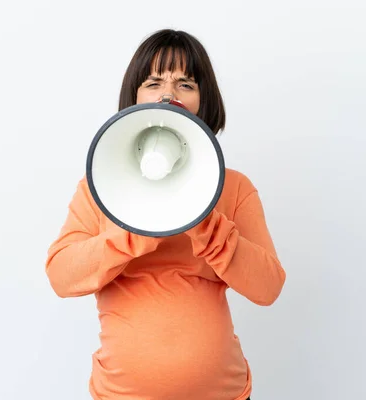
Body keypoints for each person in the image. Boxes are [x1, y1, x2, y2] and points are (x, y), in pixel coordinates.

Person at [45, 29, 286, 400]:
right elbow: (62, 276)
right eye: (154, 81)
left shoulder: (234, 188)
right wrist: (133, 232)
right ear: (135, 98)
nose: (169, 93)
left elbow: (268, 287)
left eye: (186, 83)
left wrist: (206, 222)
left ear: (203, 101)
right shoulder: (100, 186)